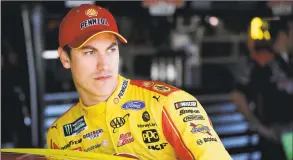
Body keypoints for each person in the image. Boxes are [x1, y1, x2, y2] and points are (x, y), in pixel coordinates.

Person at [46, 4, 231, 160]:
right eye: (90, 52)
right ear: (65, 58)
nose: (104, 65)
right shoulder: (60, 134)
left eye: (111, 50)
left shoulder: (168, 104)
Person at [231, 19, 293, 160]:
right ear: (283, 36)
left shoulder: (289, 62)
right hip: (275, 137)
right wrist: (260, 128)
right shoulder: (261, 63)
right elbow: (237, 96)